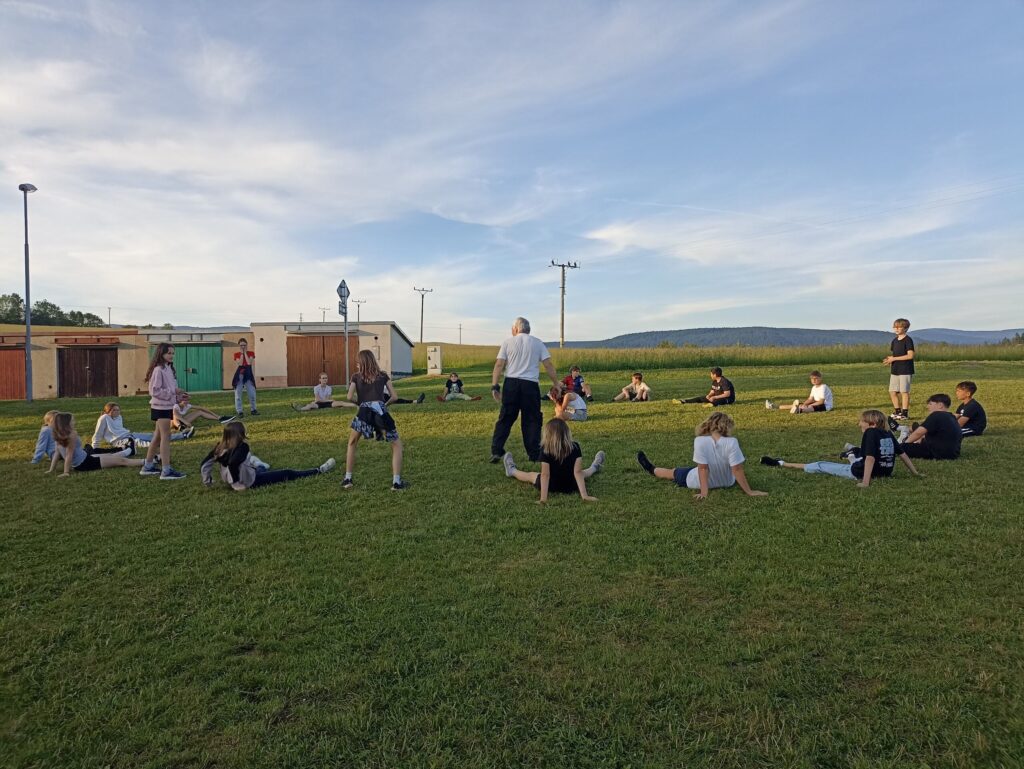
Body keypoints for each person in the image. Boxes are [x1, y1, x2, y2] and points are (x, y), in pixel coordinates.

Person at [761, 409, 920, 487]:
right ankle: (852, 453)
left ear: (871, 424)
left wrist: (865, 482)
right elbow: (902, 454)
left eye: (861, 422)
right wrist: (915, 473)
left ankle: (781, 463)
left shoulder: (870, 433)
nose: (859, 424)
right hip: (885, 472)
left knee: (820, 465)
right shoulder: (888, 433)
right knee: (858, 454)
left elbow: (870, 459)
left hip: (858, 472)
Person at [637, 411, 766, 500]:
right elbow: (736, 469)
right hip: (728, 482)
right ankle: (652, 469)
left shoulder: (699, 441)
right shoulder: (732, 442)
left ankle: (652, 469)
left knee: (674, 472)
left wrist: (704, 493)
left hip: (695, 481)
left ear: (709, 425)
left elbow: (703, 468)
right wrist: (749, 491)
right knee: (692, 469)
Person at [490, 317, 561, 463]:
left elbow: (499, 365)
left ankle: (497, 450)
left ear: (516, 329)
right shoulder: (538, 343)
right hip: (530, 385)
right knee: (532, 419)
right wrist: (556, 384)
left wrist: (495, 386)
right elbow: (548, 365)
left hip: (511, 384)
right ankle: (534, 454)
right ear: (528, 329)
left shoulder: (507, 342)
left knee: (506, 417)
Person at [200, 422, 335, 490]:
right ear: (240, 434)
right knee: (287, 473)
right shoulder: (242, 446)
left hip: (243, 475)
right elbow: (233, 463)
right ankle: (319, 470)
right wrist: (236, 484)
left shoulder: (219, 447)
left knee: (260, 469)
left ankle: (258, 463)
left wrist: (207, 481)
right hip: (249, 481)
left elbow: (205, 464)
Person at [342, 350, 406, 491]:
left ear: (361, 362)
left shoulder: (356, 376)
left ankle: (348, 479)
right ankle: (396, 482)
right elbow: (395, 397)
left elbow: (349, 397)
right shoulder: (383, 375)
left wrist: (360, 403)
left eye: (358, 362)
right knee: (396, 444)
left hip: (364, 411)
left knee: (352, 443)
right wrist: (384, 405)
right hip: (380, 411)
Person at [501, 419, 603, 503]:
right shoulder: (575, 447)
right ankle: (595, 466)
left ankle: (512, 470)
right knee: (582, 473)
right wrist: (585, 496)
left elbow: (545, 475)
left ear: (547, 434)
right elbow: (577, 472)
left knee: (531, 475)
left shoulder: (545, 449)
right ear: (567, 433)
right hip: (571, 485)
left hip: (551, 485)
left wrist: (543, 499)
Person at [139, 343, 187, 480]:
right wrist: (173, 391)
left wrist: (178, 397)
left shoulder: (168, 368)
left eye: (173, 353)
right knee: (166, 436)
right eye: (168, 353)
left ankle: (147, 466)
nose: (171, 355)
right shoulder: (158, 370)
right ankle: (166, 470)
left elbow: (169, 390)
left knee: (158, 436)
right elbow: (154, 391)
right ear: (161, 353)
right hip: (160, 407)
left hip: (165, 406)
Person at [47, 412, 144, 476]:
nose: (74, 422)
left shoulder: (57, 434)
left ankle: (128, 451)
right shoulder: (72, 434)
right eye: (72, 421)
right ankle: (148, 461)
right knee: (122, 461)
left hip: (85, 458)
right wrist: (66, 472)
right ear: (65, 423)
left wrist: (51, 469)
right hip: (85, 463)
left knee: (110, 455)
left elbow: (57, 453)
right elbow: (68, 454)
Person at [93, 401, 192, 451]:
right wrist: (95, 449)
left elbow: (120, 429)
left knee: (153, 436)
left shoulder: (119, 417)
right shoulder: (104, 418)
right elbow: (98, 434)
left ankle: (183, 435)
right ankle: (157, 445)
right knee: (139, 442)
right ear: (108, 410)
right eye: (114, 410)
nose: (117, 412)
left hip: (129, 434)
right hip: (118, 440)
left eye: (118, 410)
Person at [900, 394, 962, 460]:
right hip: (953, 454)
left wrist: (906, 444)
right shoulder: (952, 417)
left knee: (900, 448)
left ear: (940, 405)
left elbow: (918, 433)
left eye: (930, 404)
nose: (928, 406)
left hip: (936, 452)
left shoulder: (936, 415)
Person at [884, 318, 915, 420]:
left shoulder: (908, 340)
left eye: (899, 327)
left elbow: (910, 355)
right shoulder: (894, 341)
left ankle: (905, 414)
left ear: (905, 328)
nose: (896, 329)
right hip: (895, 370)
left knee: (904, 392)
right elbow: (896, 354)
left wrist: (894, 358)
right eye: (895, 327)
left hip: (905, 370)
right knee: (892, 392)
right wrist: (890, 360)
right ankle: (897, 412)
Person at [766, 371, 834, 413]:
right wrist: (804, 404)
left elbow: (821, 402)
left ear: (820, 379)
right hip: (817, 402)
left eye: (816, 378)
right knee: (798, 405)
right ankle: (774, 406)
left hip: (825, 406)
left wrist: (809, 405)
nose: (813, 380)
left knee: (810, 407)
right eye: (812, 379)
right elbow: (810, 399)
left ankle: (799, 410)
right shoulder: (814, 387)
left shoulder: (823, 387)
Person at [292, 373, 356, 411]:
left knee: (341, 403)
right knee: (309, 406)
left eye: (326, 378)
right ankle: (300, 409)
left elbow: (327, 398)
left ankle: (356, 405)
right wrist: (330, 400)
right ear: (320, 379)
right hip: (318, 404)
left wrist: (329, 400)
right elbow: (318, 400)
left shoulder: (329, 388)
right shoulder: (316, 388)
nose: (325, 379)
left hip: (327, 404)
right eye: (323, 378)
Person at [232, 338, 258, 416]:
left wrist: (245, 353)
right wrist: (242, 354)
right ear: (239, 346)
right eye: (241, 345)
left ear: (247, 345)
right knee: (238, 394)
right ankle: (240, 411)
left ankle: (253, 410)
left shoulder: (251, 353)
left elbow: (249, 363)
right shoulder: (236, 354)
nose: (243, 347)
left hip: (248, 375)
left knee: (252, 393)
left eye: (244, 345)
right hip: (240, 375)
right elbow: (240, 364)